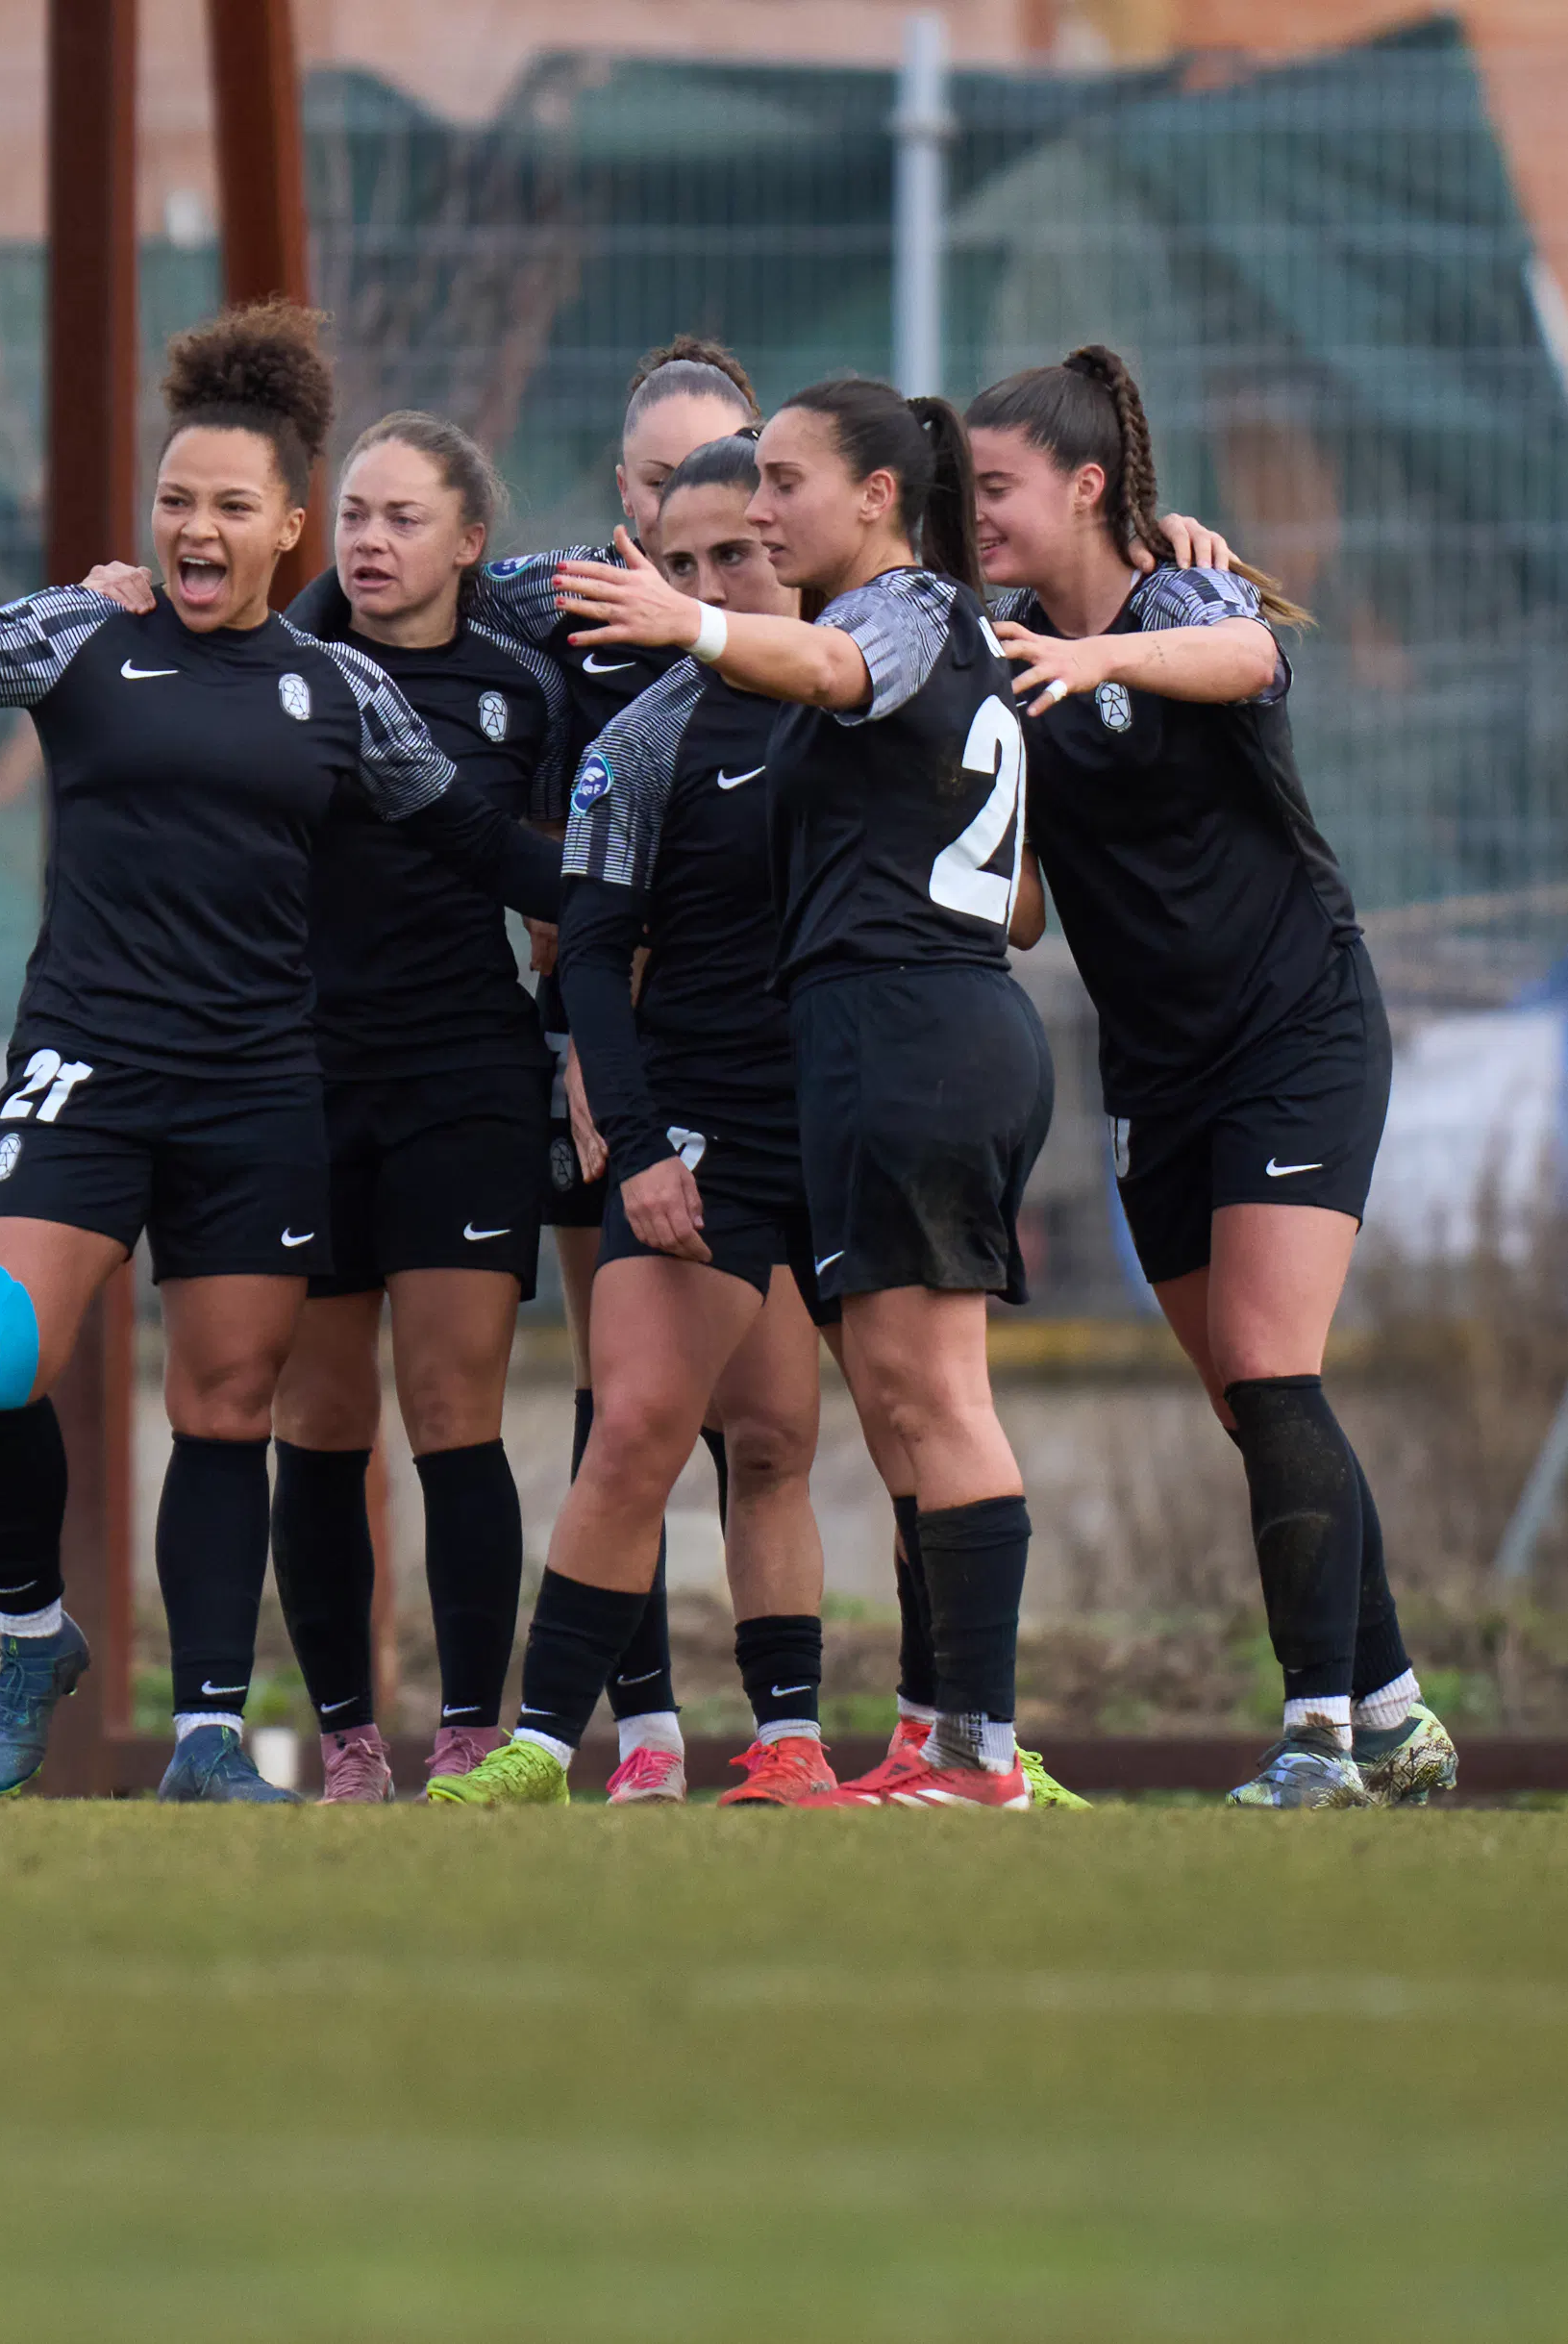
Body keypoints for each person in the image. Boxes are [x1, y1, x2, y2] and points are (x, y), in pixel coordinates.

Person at [0, 301, 562, 1803]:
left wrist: (661, 891)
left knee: (227, 1410)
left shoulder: (343, 690)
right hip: (89, 1063)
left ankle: (206, 1737)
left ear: (286, 526)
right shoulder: (80, 633)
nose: (196, 529)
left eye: (232, 506)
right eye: (176, 501)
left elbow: (486, 846)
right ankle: (31, 1631)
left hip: (260, 1090)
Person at [553, 375, 1054, 1808]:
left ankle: (980, 1751)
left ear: (879, 496)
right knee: (905, 1398)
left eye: (783, 484)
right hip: (909, 1030)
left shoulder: (900, 609)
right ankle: (954, 1745)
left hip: (912, 1028)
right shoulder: (921, 627)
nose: (761, 513)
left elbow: (839, 669)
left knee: (933, 1398)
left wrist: (691, 624)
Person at [972, 345, 1455, 1808]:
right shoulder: (1002, 651)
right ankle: (1394, 1710)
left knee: (1267, 1361)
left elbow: (1248, 659)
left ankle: (1317, 1740)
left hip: (1296, 1028)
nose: (976, 513)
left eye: (998, 487)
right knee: (1253, 1396)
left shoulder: (1183, 594)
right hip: (1156, 1071)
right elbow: (1029, 912)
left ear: (1086, 487)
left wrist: (1101, 658)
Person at [426, 432, 841, 1806]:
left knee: (785, 1438)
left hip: (853, 1123)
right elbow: (590, 957)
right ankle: (547, 1745)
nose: (710, 585)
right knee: (638, 1427)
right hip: (708, 1127)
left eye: (740, 555)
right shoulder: (643, 739)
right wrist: (646, 1141)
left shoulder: (866, 692)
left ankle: (814, 1740)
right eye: (682, 563)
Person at [264, 416, 565, 1802]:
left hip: (464, 1077)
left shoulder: (523, 685)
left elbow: (555, 886)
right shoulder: (280, 669)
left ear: (469, 543)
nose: (370, 541)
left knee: (453, 1409)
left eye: (403, 518)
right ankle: (345, 1741)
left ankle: (465, 1733)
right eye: (354, 517)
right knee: (322, 1416)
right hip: (303, 1077)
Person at [481, 338, 765, 1795]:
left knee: (769, 1413)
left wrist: (1161, 541)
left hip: (760, 1054)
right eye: (660, 484)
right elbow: (377, 581)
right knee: (629, 1387)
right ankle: (641, 1725)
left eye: (723, 478)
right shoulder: (555, 605)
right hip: (599, 1032)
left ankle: (870, 1724)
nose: (684, 516)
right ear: (620, 492)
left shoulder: (816, 632)